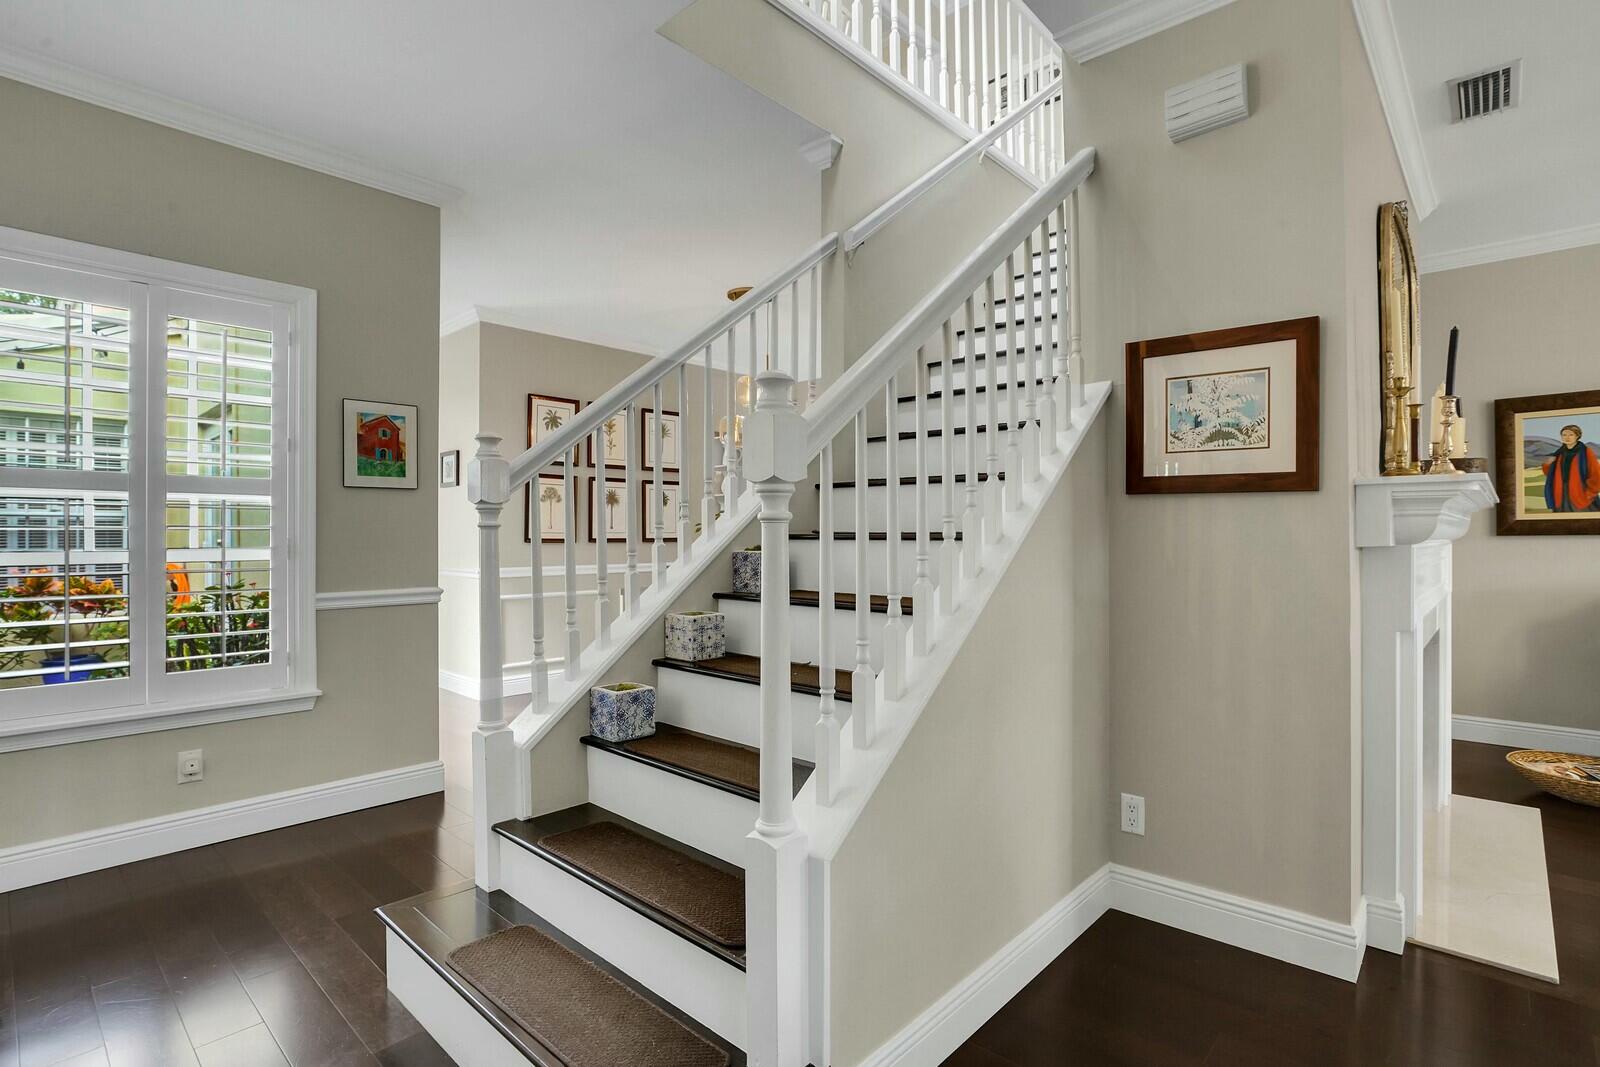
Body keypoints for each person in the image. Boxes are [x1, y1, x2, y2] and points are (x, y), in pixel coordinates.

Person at [1543, 424, 1600, 512]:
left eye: (1571, 435)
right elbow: (1550, 474)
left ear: (1577, 436)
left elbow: (1596, 474)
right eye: (1564, 435)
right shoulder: (1559, 453)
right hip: (1561, 494)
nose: (1567, 437)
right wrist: (1548, 464)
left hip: (1580, 494)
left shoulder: (1586, 452)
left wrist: (1589, 493)